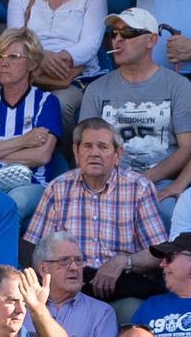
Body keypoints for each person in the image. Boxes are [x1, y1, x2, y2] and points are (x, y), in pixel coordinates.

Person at [22, 119, 169, 302]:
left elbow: (159, 252)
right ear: (76, 152)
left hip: (122, 287)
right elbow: (35, 249)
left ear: (117, 154)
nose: (94, 153)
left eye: (102, 147)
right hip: (70, 291)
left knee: (131, 312)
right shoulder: (57, 188)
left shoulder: (139, 188)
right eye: (87, 146)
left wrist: (123, 261)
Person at [84, 9, 191, 189]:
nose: (118, 39)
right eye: (114, 33)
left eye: (128, 33)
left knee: (170, 212)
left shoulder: (179, 86)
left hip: (160, 183)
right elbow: (84, 146)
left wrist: (146, 178)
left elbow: (189, 147)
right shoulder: (96, 89)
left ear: (152, 40)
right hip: (106, 183)